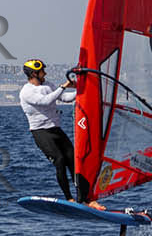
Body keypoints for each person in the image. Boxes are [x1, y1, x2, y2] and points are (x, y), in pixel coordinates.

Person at [18, 58, 96, 207]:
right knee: (59, 160)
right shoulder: (26, 92)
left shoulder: (47, 85)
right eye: (42, 71)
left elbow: (64, 98)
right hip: (40, 132)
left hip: (55, 129)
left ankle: (84, 199)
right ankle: (69, 198)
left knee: (74, 160)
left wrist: (80, 91)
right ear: (34, 74)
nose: (45, 73)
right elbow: (46, 101)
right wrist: (64, 86)